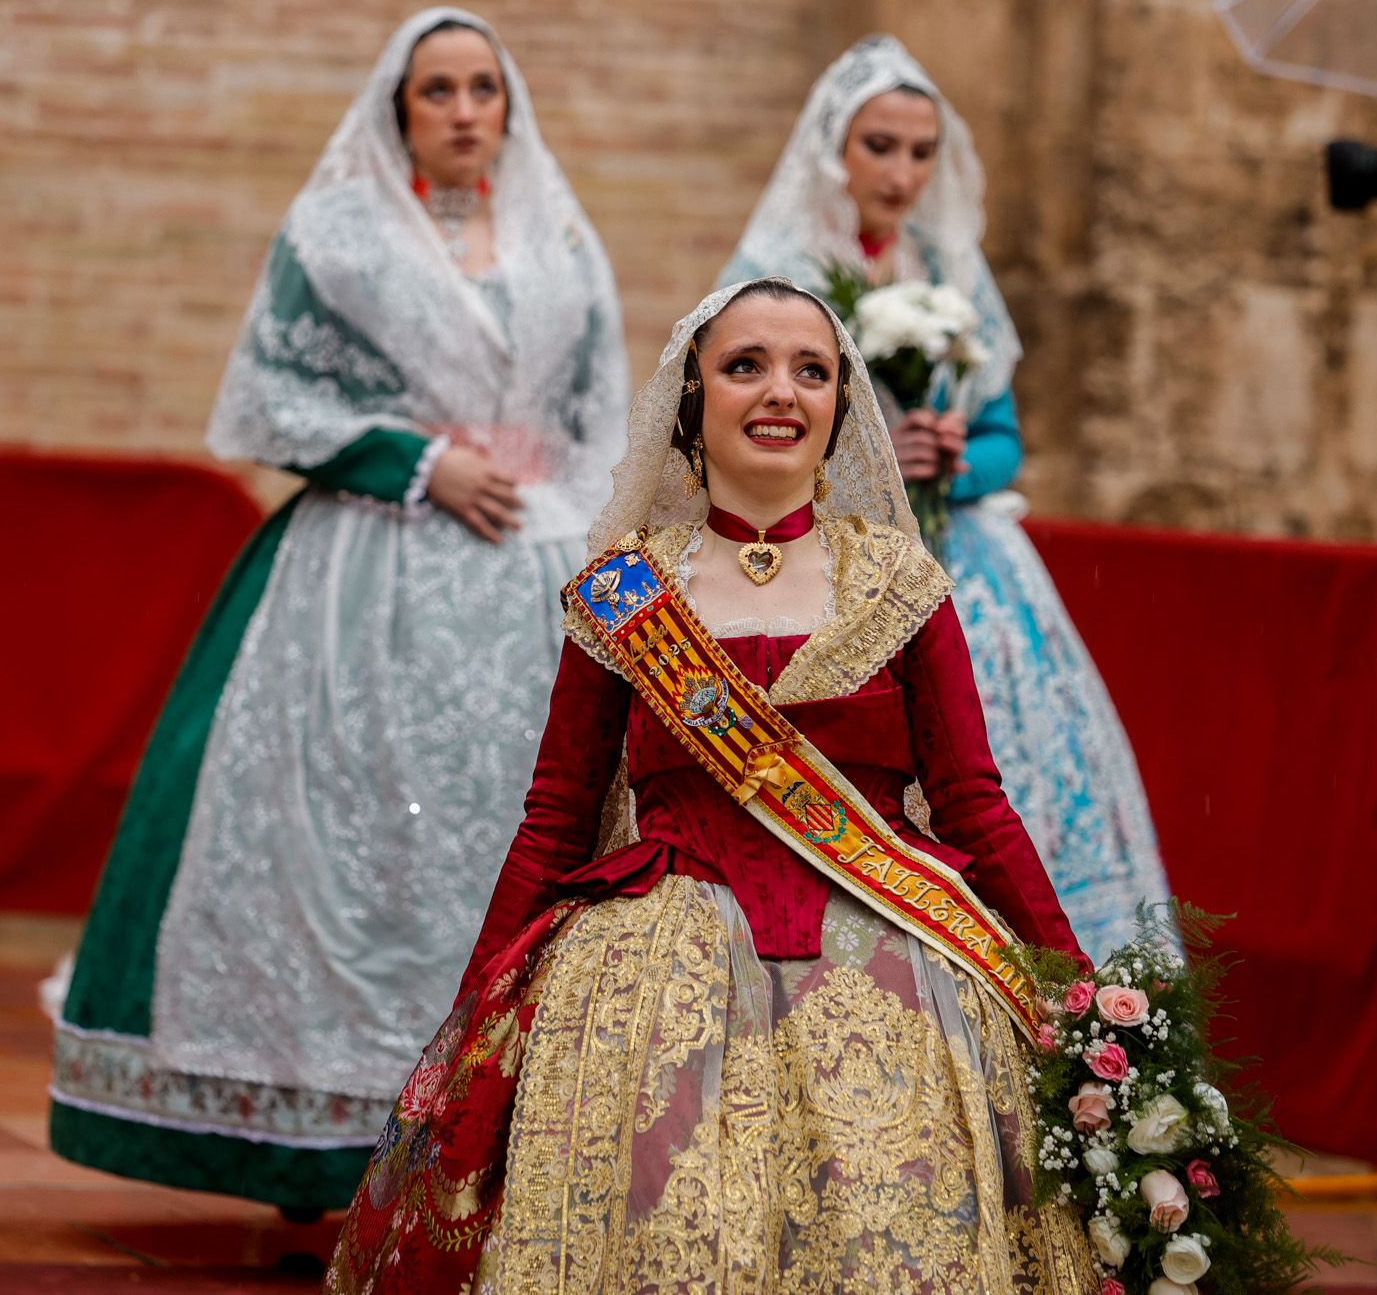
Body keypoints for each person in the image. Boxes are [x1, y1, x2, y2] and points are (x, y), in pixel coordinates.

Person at [324, 278, 1095, 1291]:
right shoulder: (623, 594)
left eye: (810, 371)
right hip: (653, 990)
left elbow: (973, 802)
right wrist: (473, 1020)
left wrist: (1082, 1000)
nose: (779, 391)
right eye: (745, 366)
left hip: (889, 971)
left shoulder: (903, 585)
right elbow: (555, 816)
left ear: (837, 407)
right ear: (690, 403)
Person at [47, 7, 627, 1216]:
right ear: (399, 112)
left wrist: (581, 542)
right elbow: (266, 397)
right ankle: (317, 1150)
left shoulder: (562, 245)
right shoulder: (340, 233)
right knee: (347, 841)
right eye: (438, 92)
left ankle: (485, 1143)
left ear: (508, 108)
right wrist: (414, 461)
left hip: (527, 582)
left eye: (484, 88)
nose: (465, 110)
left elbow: (599, 421)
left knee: (507, 832)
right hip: (364, 578)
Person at [721, 36, 1169, 961]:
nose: (902, 172)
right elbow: (732, 433)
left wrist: (950, 461)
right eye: (880, 145)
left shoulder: (949, 266)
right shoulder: (776, 270)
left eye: (921, 152)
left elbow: (1005, 440)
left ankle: (1045, 969)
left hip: (962, 554)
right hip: (822, 548)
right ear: (833, 149)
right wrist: (868, 466)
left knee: (996, 766)